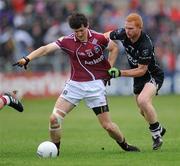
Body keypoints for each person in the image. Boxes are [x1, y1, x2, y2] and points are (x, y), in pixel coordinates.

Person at [13, 12, 140, 155]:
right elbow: (46, 49)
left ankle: (125, 145)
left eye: (81, 30)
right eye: (76, 31)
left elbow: (114, 48)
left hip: (95, 86)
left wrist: (108, 70)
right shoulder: (67, 41)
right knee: (54, 119)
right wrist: (27, 58)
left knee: (108, 126)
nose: (79, 34)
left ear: (87, 26)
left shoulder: (99, 38)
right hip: (74, 85)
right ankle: (55, 151)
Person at [106, 13, 166, 150]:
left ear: (140, 28)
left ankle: (156, 135)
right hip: (137, 78)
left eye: (131, 28)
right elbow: (104, 36)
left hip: (152, 75)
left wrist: (120, 72)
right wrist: (94, 41)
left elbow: (141, 70)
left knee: (143, 101)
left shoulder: (146, 44)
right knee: (142, 110)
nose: (127, 31)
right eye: (126, 27)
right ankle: (159, 127)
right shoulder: (123, 33)